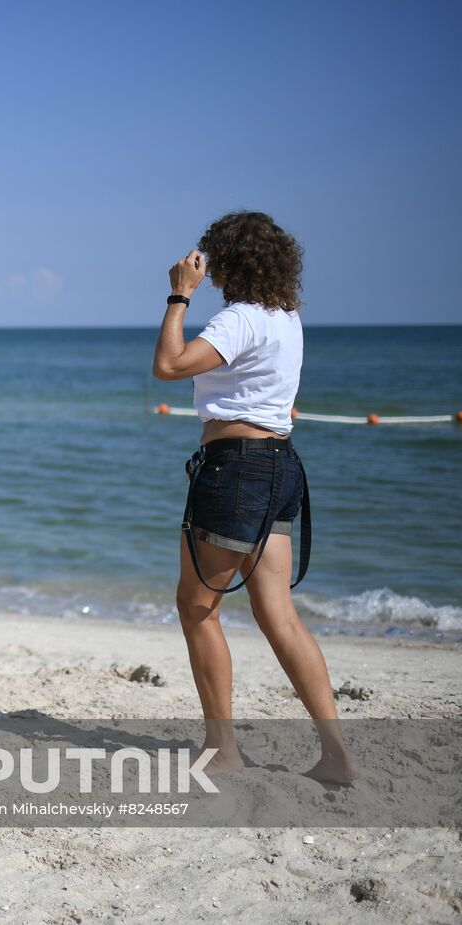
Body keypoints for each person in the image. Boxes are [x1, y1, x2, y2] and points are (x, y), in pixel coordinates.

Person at [152, 211, 357, 784]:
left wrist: (178, 296)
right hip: (280, 466)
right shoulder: (286, 316)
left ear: (231, 263)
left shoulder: (239, 319)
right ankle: (337, 752)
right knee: (278, 615)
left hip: (235, 469)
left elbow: (168, 365)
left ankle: (222, 747)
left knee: (197, 608)